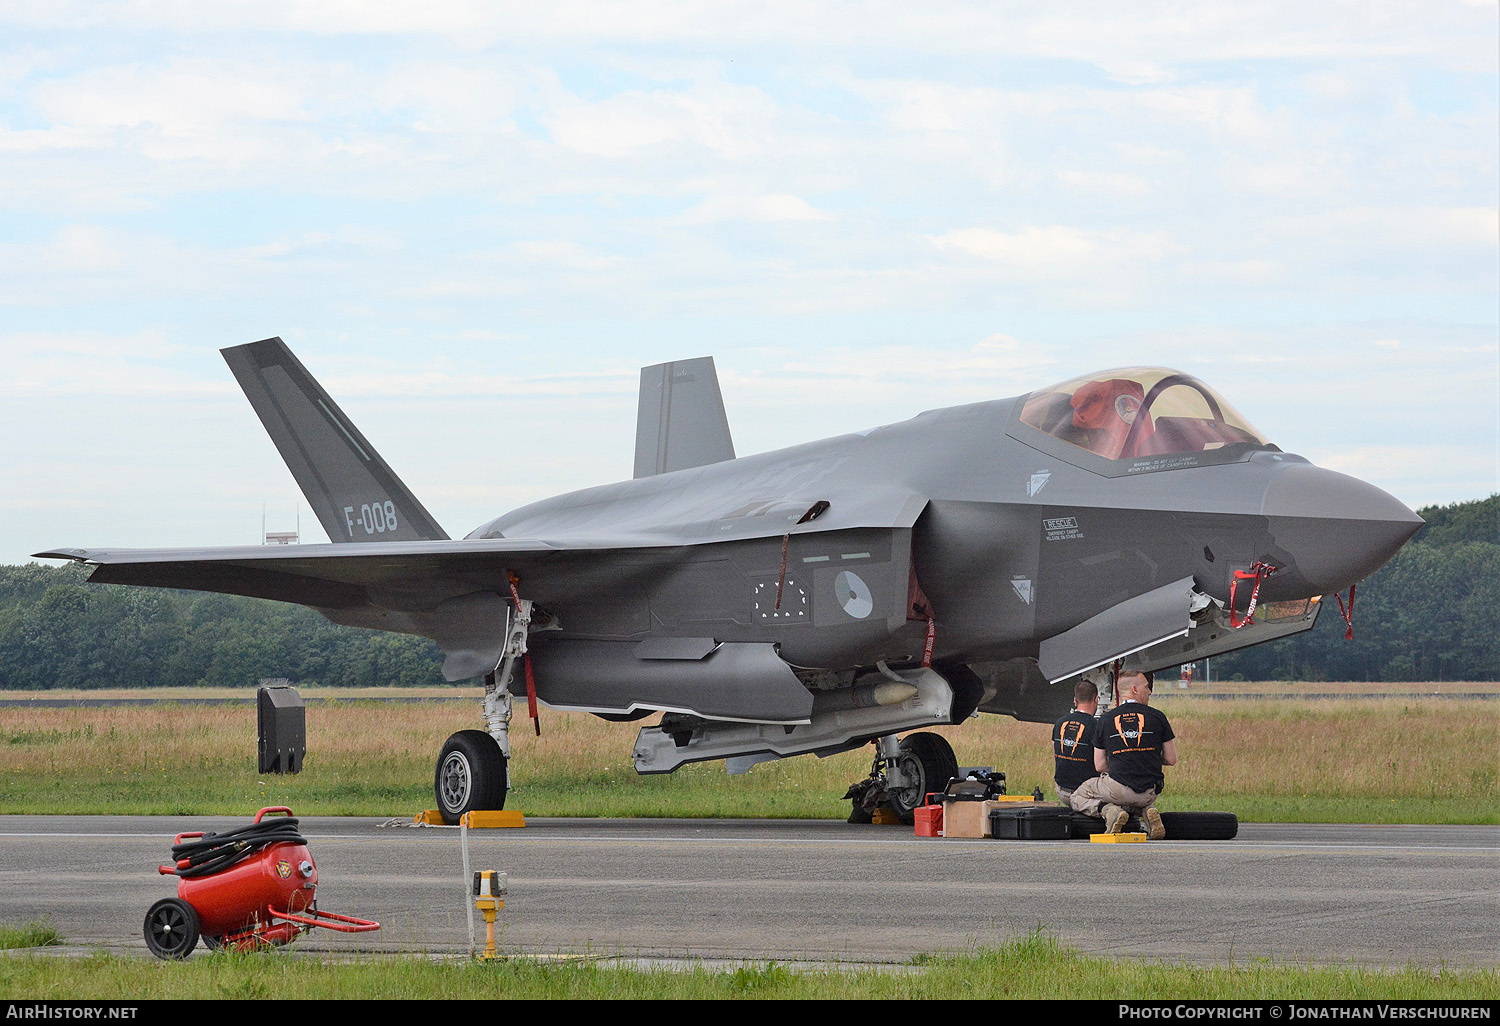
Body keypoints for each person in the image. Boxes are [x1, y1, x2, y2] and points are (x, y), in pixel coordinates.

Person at [1067, 670, 1177, 839]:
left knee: (1078, 795)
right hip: (1150, 791)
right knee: (1134, 800)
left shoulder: (1105, 720)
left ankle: (1108, 811)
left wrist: (1123, 761)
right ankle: (1147, 811)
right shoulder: (1158, 717)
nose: (1149, 691)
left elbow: (1099, 765)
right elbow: (1171, 759)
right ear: (1135, 689)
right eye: (1146, 687)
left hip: (1117, 788)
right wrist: (1147, 758)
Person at [1051, 679, 1099, 805]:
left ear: (1075, 700)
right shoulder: (1096, 726)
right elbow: (1102, 764)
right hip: (1087, 792)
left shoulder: (1059, 723)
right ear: (1096, 699)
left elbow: (1056, 754)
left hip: (1062, 790)